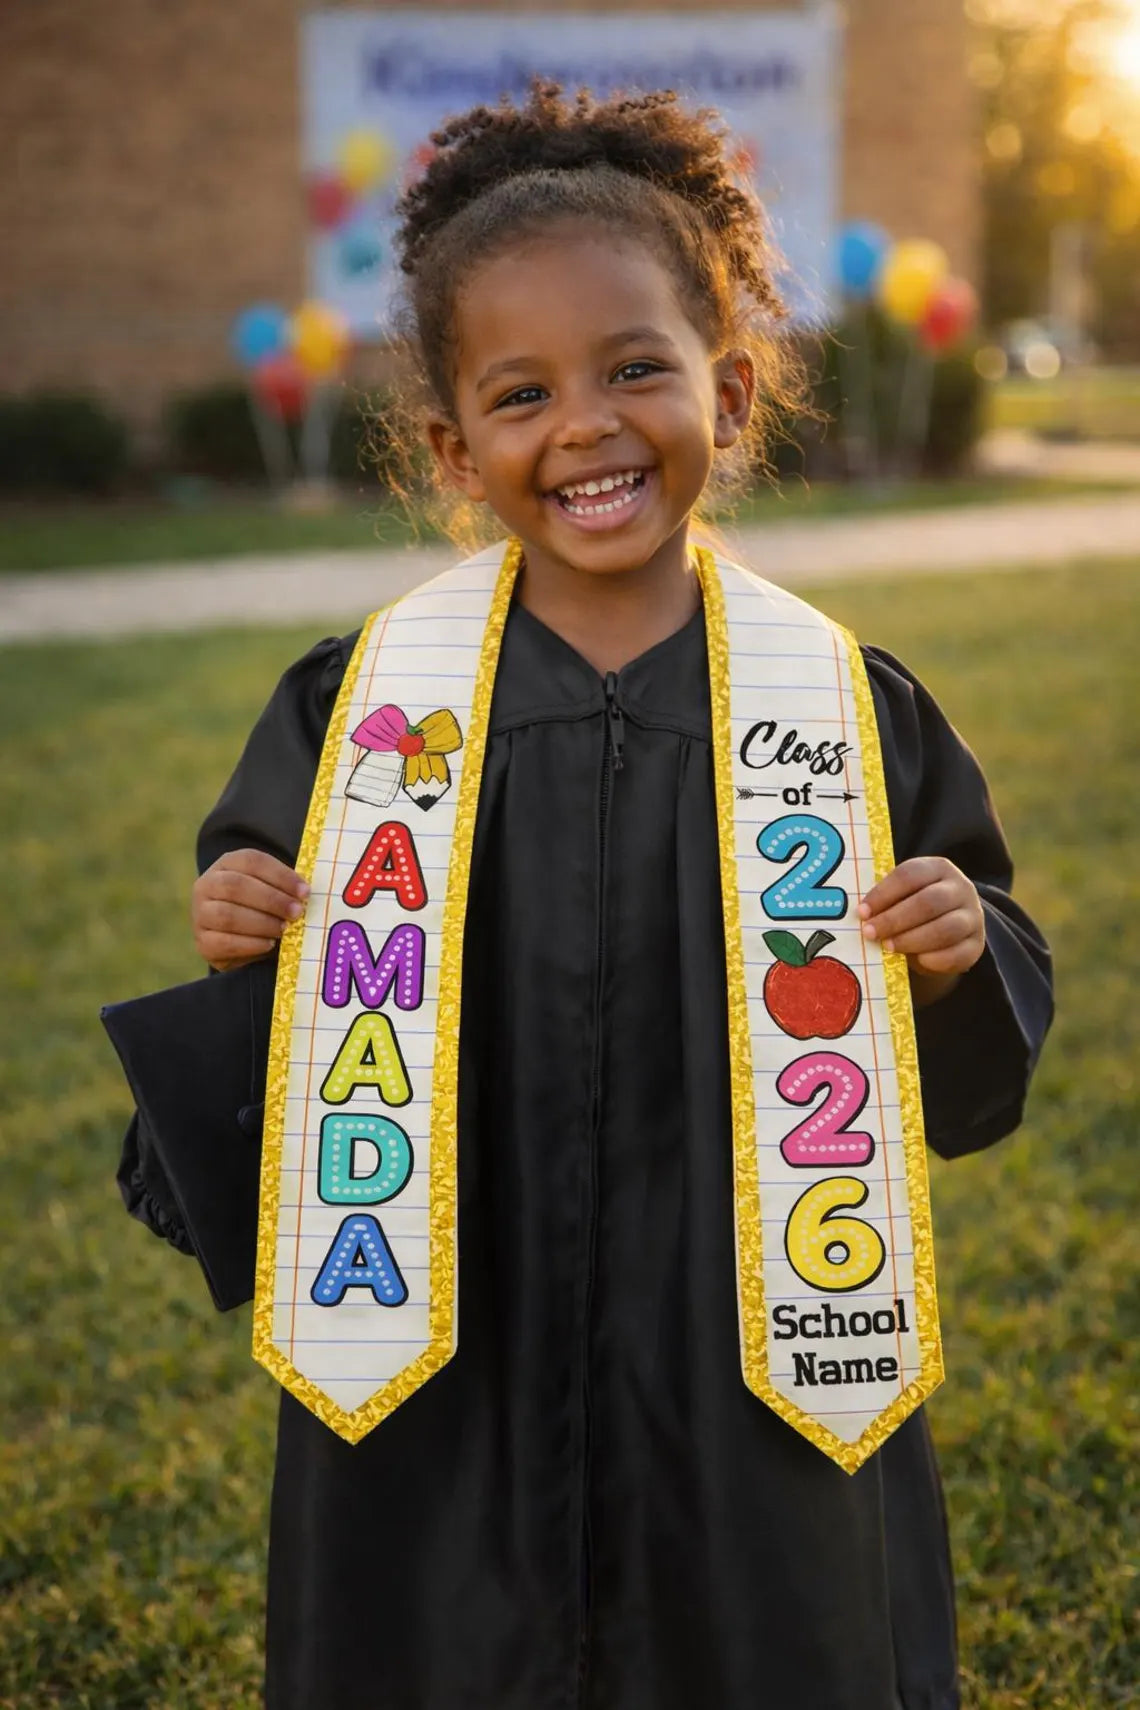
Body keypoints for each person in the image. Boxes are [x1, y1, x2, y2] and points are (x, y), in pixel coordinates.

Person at [111, 85, 1053, 1710]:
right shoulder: (359, 714)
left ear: (732, 390)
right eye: (522, 390)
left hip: (751, 1386)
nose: (589, 426)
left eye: (638, 367)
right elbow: (239, 1131)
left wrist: (964, 954)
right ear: (453, 447)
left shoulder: (842, 706)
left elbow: (970, 1027)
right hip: (444, 1398)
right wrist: (249, 943)